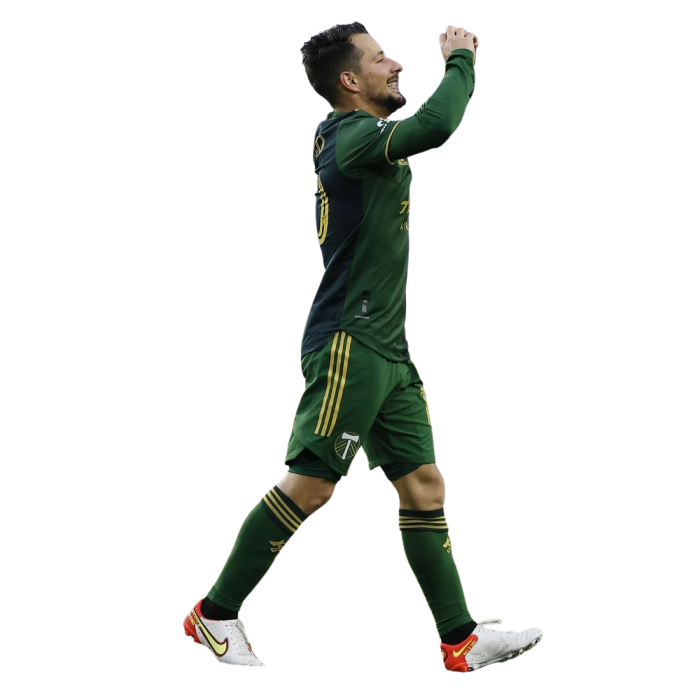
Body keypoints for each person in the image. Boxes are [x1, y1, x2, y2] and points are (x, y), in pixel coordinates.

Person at [183, 21, 543, 674]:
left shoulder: (352, 134)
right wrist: (461, 61)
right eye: (381, 58)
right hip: (350, 343)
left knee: (424, 483)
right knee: (312, 487)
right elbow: (437, 126)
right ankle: (214, 613)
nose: (396, 64)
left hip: (388, 350)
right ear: (350, 80)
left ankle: (460, 639)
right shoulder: (352, 136)